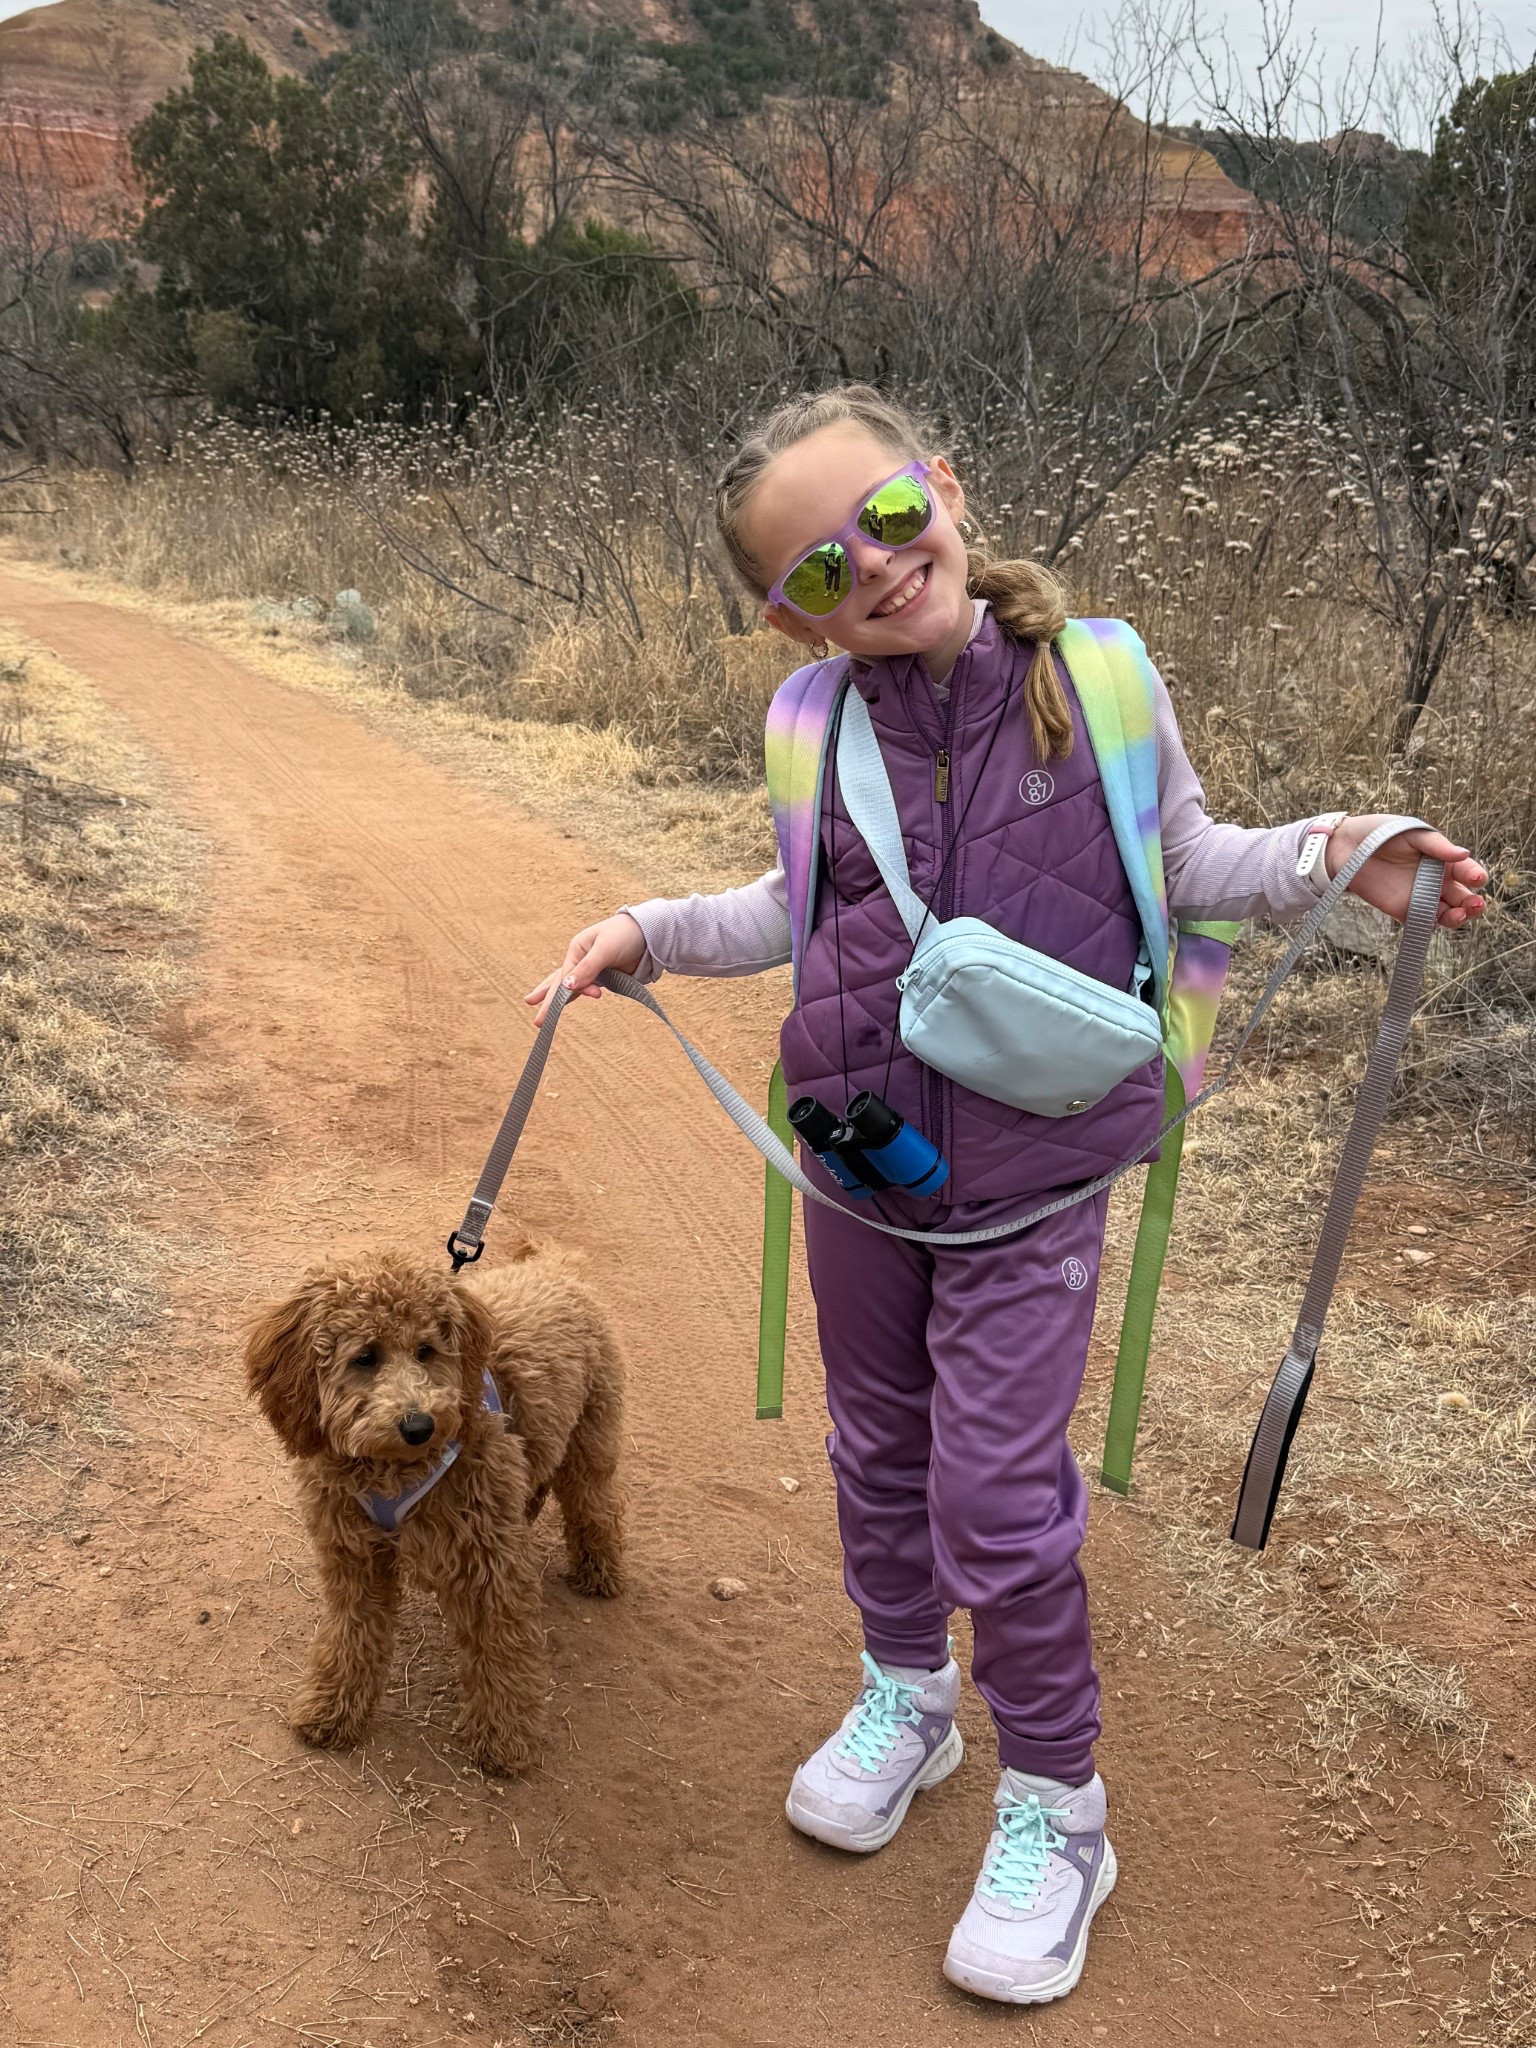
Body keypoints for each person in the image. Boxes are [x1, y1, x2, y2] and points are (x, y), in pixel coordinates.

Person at [526, 387, 1486, 2006]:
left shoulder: (1095, 678)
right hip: (853, 1167)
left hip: (1034, 1182)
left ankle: (1060, 1798)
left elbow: (1190, 861)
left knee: (994, 1494)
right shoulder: (812, 726)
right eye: (820, 571)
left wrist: (1344, 851)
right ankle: (909, 1695)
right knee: (875, 1451)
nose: (876, 572)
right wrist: (646, 929)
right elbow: (788, 902)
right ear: (784, 619)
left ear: (941, 489)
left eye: (887, 520)